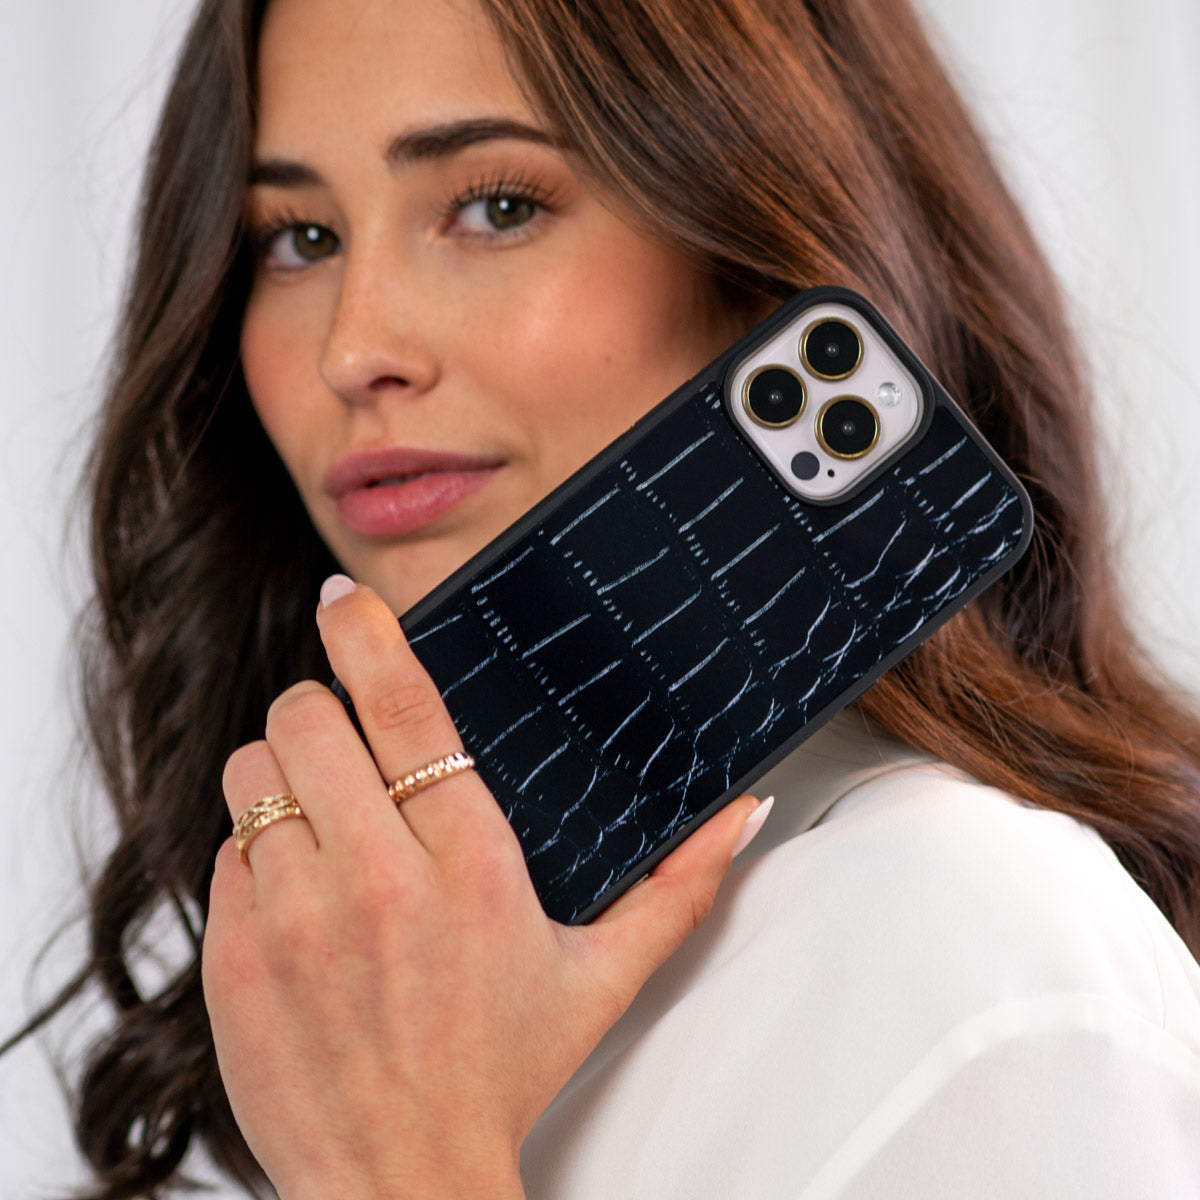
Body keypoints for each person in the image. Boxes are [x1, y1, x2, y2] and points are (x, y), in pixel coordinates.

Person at [7, 0, 1200, 1195]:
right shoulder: (404, 971)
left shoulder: (985, 961)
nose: (352, 349)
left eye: (497, 208)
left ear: (755, 256)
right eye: (298, 238)